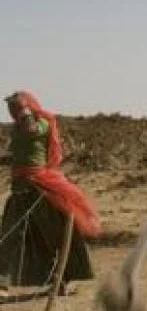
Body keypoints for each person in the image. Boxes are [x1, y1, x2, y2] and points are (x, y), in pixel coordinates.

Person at [0, 91, 98, 297]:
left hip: (39, 190)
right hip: (19, 190)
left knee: (54, 235)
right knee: (9, 236)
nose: (13, 111)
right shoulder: (17, 128)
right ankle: (1, 284)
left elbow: (32, 129)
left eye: (15, 107)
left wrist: (25, 111)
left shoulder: (38, 124)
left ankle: (62, 280)